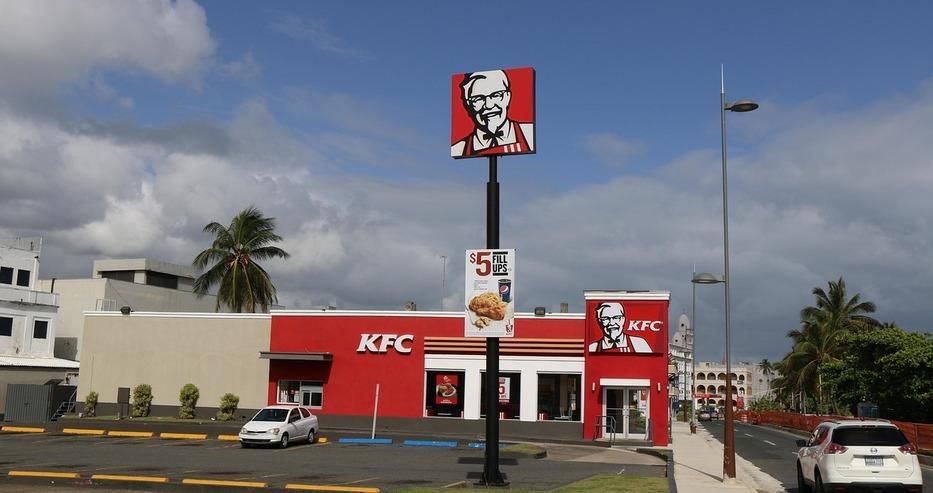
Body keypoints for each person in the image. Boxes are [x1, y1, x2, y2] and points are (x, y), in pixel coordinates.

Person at [451, 70, 535, 157]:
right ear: (469, 104)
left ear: (508, 97)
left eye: (496, 95)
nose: (489, 105)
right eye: (478, 98)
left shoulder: (528, 134)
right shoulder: (459, 148)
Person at [588, 302, 652, 353]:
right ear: (599, 321)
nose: (612, 323)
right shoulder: (592, 348)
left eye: (616, 317)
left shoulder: (639, 343)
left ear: (623, 319)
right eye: (606, 318)